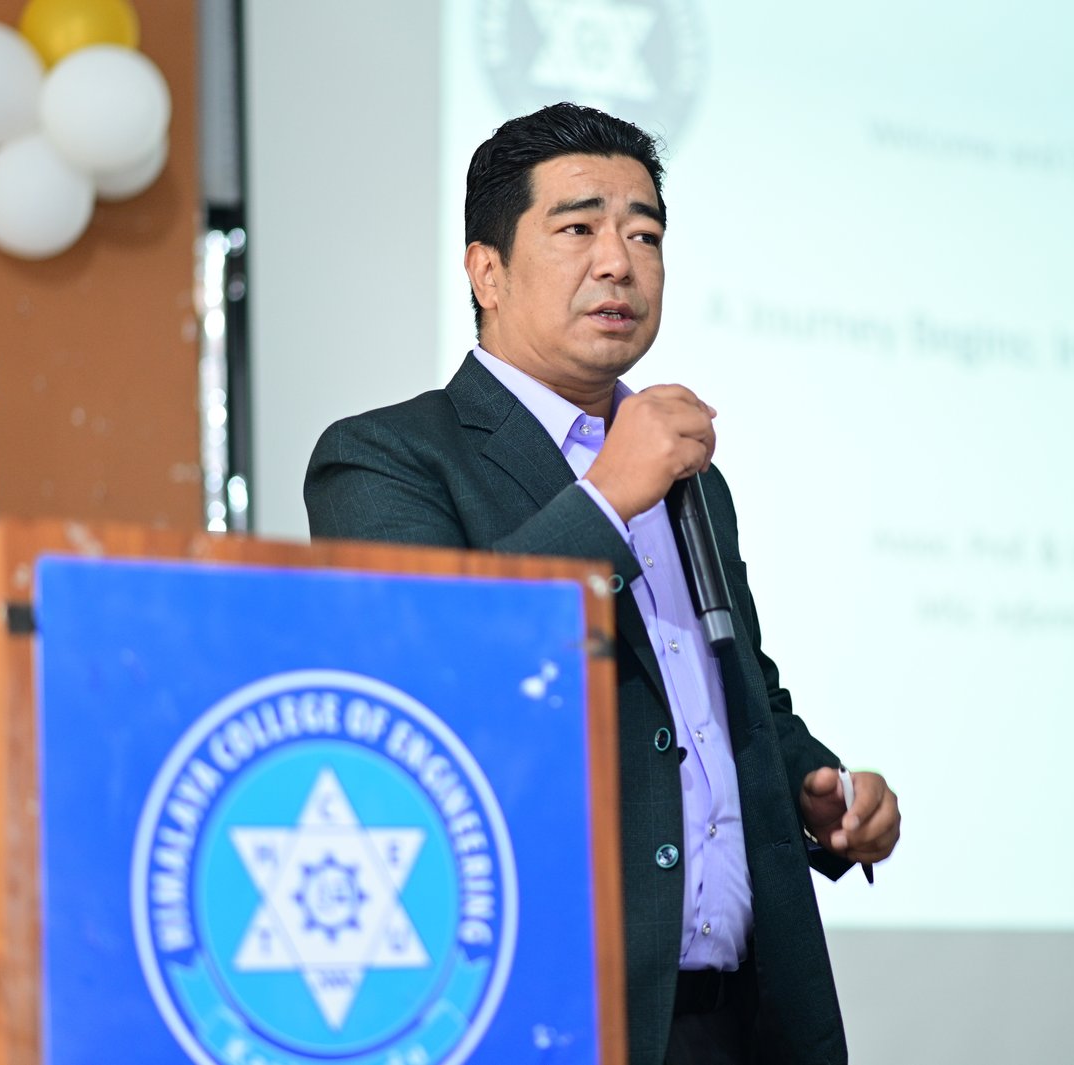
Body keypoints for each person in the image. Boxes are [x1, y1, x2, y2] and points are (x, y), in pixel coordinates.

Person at [305, 102, 900, 1065]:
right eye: (579, 228)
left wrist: (818, 789)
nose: (620, 261)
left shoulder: (690, 479)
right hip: (547, 1014)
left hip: (744, 1023)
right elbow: (429, 679)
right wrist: (608, 496)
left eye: (645, 234)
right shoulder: (385, 457)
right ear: (487, 271)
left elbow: (731, 691)